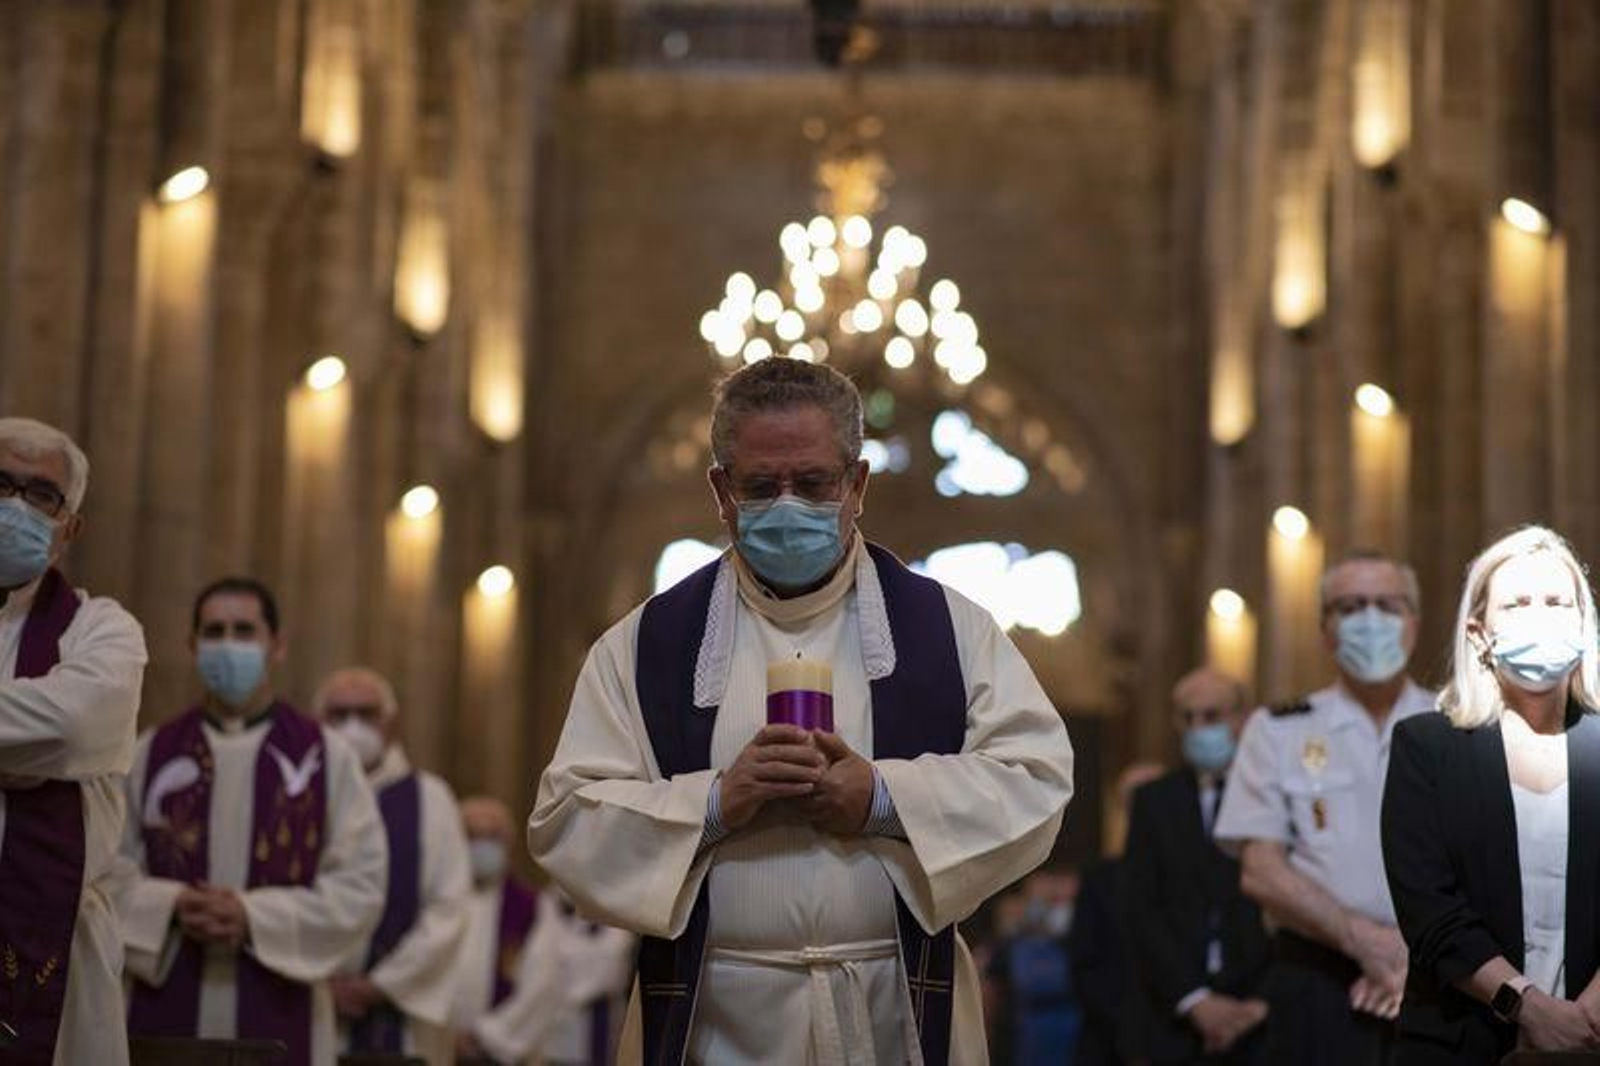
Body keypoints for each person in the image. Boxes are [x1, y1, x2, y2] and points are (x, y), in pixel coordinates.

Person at [529, 357, 1075, 1065]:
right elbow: (566, 821)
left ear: (857, 483)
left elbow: (1036, 780)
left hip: (890, 1009)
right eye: (761, 486)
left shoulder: (950, 629)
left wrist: (881, 799)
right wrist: (719, 802)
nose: (788, 506)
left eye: (813, 483)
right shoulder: (645, 645)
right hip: (713, 1017)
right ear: (721, 491)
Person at [119, 577, 388, 1066]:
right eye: (214, 632)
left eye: (245, 632)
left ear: (277, 646)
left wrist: (252, 917)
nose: (228, 646)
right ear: (192, 645)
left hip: (283, 1004)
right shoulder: (150, 752)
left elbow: (361, 884)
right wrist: (171, 903)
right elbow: (105, 870)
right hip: (165, 994)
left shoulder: (327, 755)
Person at [1383, 526, 1600, 1063]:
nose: (1540, 615)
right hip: (1462, 1041)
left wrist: (1586, 1017)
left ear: (1582, 621)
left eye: (1556, 602)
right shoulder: (1427, 747)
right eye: (1518, 603)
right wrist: (1528, 1008)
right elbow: (1431, 911)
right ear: (1479, 633)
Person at [1214, 550, 1435, 1066]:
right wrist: (1366, 944)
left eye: (1388, 604)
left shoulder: (1458, 725)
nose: (1371, 620)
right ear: (1324, 629)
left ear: (1415, 623)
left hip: (1443, 980)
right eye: (1351, 606)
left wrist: (1408, 955)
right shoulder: (1278, 730)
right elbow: (1260, 871)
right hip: (1318, 981)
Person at [0, 417, 147, 1064]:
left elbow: (73, 727)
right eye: (1, 484)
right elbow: (47, 735)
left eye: (41, 495)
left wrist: (49, 748)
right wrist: (27, 755)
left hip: (55, 946)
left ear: (71, 527)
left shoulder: (104, 630)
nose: (15, 506)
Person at [315, 666, 471, 1065]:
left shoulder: (430, 799)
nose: (353, 725)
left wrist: (378, 986)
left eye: (366, 714)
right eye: (339, 714)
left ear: (392, 723)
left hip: (400, 1017)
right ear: (318, 721)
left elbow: (448, 909)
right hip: (310, 1004)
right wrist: (317, 984)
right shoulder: (298, 793)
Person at [1122, 668, 1271, 1065]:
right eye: (1187, 718)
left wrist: (1261, 1002)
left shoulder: (1271, 792)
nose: (1197, 728)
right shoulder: (1155, 802)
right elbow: (1141, 909)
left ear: (1242, 718)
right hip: (1177, 1019)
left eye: (1211, 716)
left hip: (1264, 1014)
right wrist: (1195, 1000)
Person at [453, 796, 634, 1065]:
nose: (481, 846)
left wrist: (484, 1035)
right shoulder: (439, 905)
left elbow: (544, 981)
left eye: (491, 836)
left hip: (506, 1047)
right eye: (472, 836)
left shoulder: (529, 907)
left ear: (507, 843)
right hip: (443, 1040)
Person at [1070, 761, 1163, 1066]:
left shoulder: (1196, 875)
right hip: (1110, 1044)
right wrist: (1133, 1040)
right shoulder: (1099, 880)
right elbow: (1086, 967)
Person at [983, 868, 1081, 1066]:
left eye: (1059, 900)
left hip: (1071, 1027)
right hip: (1025, 1030)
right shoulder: (1011, 942)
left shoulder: (1079, 941)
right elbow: (991, 988)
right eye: (1050, 899)